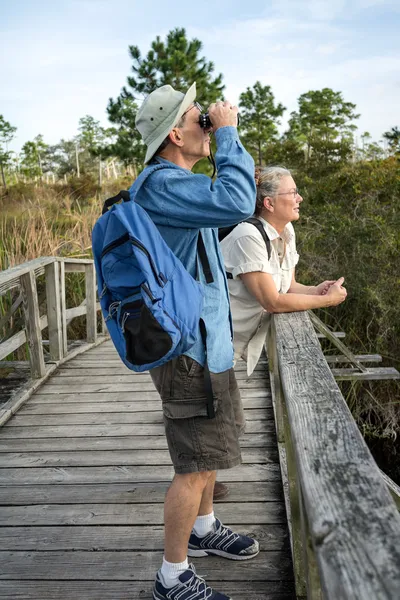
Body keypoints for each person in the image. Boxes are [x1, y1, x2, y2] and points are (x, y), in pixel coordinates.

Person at [131, 82, 260, 600]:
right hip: (188, 352)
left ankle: (205, 530)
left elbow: (233, 207)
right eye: (196, 117)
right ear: (173, 134)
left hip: (211, 347)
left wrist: (221, 138)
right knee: (192, 465)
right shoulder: (160, 184)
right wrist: (226, 133)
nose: (205, 122)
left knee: (208, 455)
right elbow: (239, 197)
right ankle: (172, 574)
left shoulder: (182, 184)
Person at [221, 166, 347, 376]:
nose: (300, 198)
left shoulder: (286, 230)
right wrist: (327, 301)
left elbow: (288, 287)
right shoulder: (248, 236)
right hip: (207, 346)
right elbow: (273, 302)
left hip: (229, 349)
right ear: (269, 203)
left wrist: (315, 290)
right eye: (293, 192)